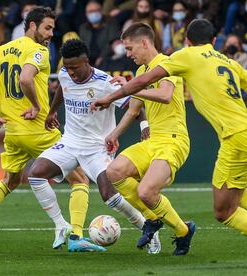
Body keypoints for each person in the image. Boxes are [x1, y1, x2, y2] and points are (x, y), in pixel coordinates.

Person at [92, 19, 247, 268]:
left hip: (235, 137)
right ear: (213, 41)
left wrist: (111, 96)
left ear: (187, 41)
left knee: (224, 212)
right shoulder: (227, 61)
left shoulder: (185, 56)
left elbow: (143, 85)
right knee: (236, 195)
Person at [0, 6, 90, 252]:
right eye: (47, 28)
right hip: (38, 130)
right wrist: (36, 105)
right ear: (32, 26)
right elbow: (25, 79)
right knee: (80, 179)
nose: (51, 33)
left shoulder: (2, 50)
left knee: (10, 181)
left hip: (13, 133)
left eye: (53, 28)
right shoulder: (39, 51)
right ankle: (74, 234)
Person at [27, 38, 161, 254]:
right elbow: (62, 87)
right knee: (36, 173)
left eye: (74, 68)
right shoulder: (64, 73)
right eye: (67, 67)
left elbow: (134, 104)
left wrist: (144, 125)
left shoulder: (104, 82)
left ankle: (148, 227)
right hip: (70, 142)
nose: (70, 72)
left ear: (86, 61)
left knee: (109, 196)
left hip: (97, 147)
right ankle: (61, 225)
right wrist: (52, 111)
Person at [103, 22, 196, 256]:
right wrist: (115, 134)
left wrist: (131, 88)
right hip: (153, 141)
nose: (128, 54)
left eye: (130, 48)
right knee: (113, 171)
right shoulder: (141, 73)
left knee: (146, 192)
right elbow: (134, 110)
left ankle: (182, 231)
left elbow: (165, 95)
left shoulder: (168, 64)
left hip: (174, 140)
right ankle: (156, 219)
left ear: (144, 42)